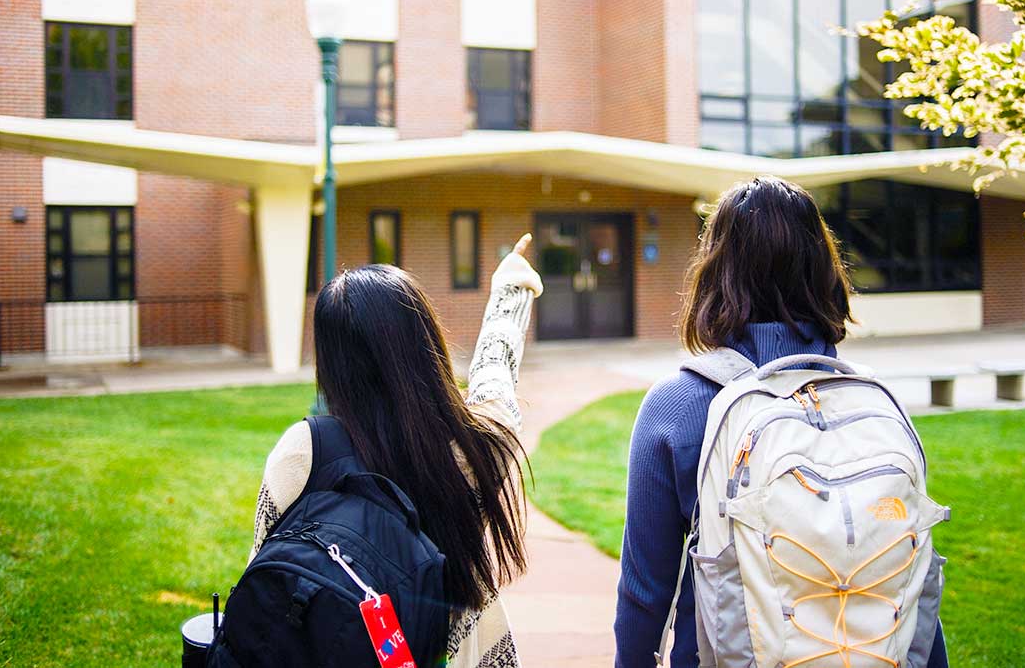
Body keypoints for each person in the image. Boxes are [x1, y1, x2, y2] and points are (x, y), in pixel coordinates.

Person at [613, 176, 948, 667]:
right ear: (822, 270)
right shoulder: (872, 404)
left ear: (716, 271)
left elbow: (645, 592)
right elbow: (910, 573)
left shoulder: (678, 404)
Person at [250, 234, 543, 668]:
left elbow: (264, 579)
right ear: (424, 347)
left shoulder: (301, 453)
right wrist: (509, 290)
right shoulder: (475, 450)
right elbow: (495, 375)